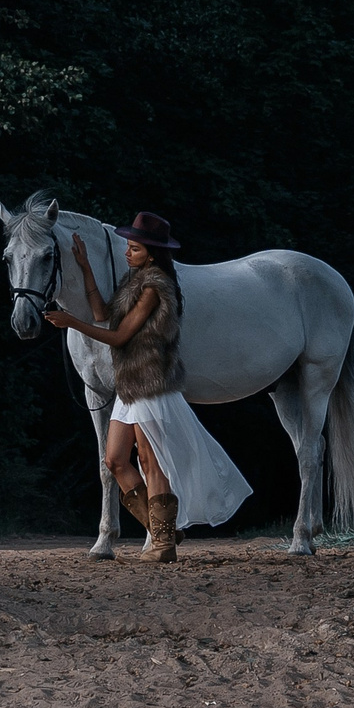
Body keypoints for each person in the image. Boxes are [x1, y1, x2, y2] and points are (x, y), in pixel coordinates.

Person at [44, 211, 252, 560]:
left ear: (152, 254)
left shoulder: (155, 287)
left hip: (150, 383)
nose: (127, 253)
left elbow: (119, 336)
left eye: (135, 249)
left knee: (149, 461)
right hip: (130, 385)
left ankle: (164, 544)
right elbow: (102, 314)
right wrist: (86, 267)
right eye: (128, 247)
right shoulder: (134, 282)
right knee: (114, 460)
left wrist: (71, 323)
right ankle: (162, 530)